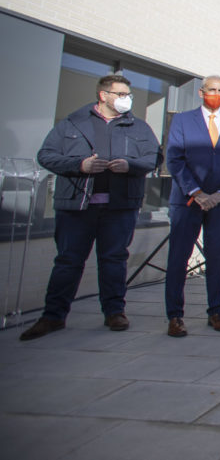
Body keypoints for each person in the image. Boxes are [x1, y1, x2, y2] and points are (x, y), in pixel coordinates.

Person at [20, 75, 162, 340]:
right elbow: (46, 155)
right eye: (120, 94)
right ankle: (53, 316)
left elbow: (154, 157)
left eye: (127, 94)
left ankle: (114, 312)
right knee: (68, 261)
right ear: (103, 95)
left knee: (114, 260)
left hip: (120, 207)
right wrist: (80, 165)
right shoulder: (73, 123)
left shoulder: (138, 127)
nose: (126, 99)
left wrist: (129, 165)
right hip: (77, 207)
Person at [163, 75, 220, 338]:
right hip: (188, 201)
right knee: (179, 257)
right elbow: (174, 159)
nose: (216, 94)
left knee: (216, 257)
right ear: (201, 92)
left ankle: (216, 311)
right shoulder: (183, 121)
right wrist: (197, 192)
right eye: (212, 89)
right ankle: (175, 316)